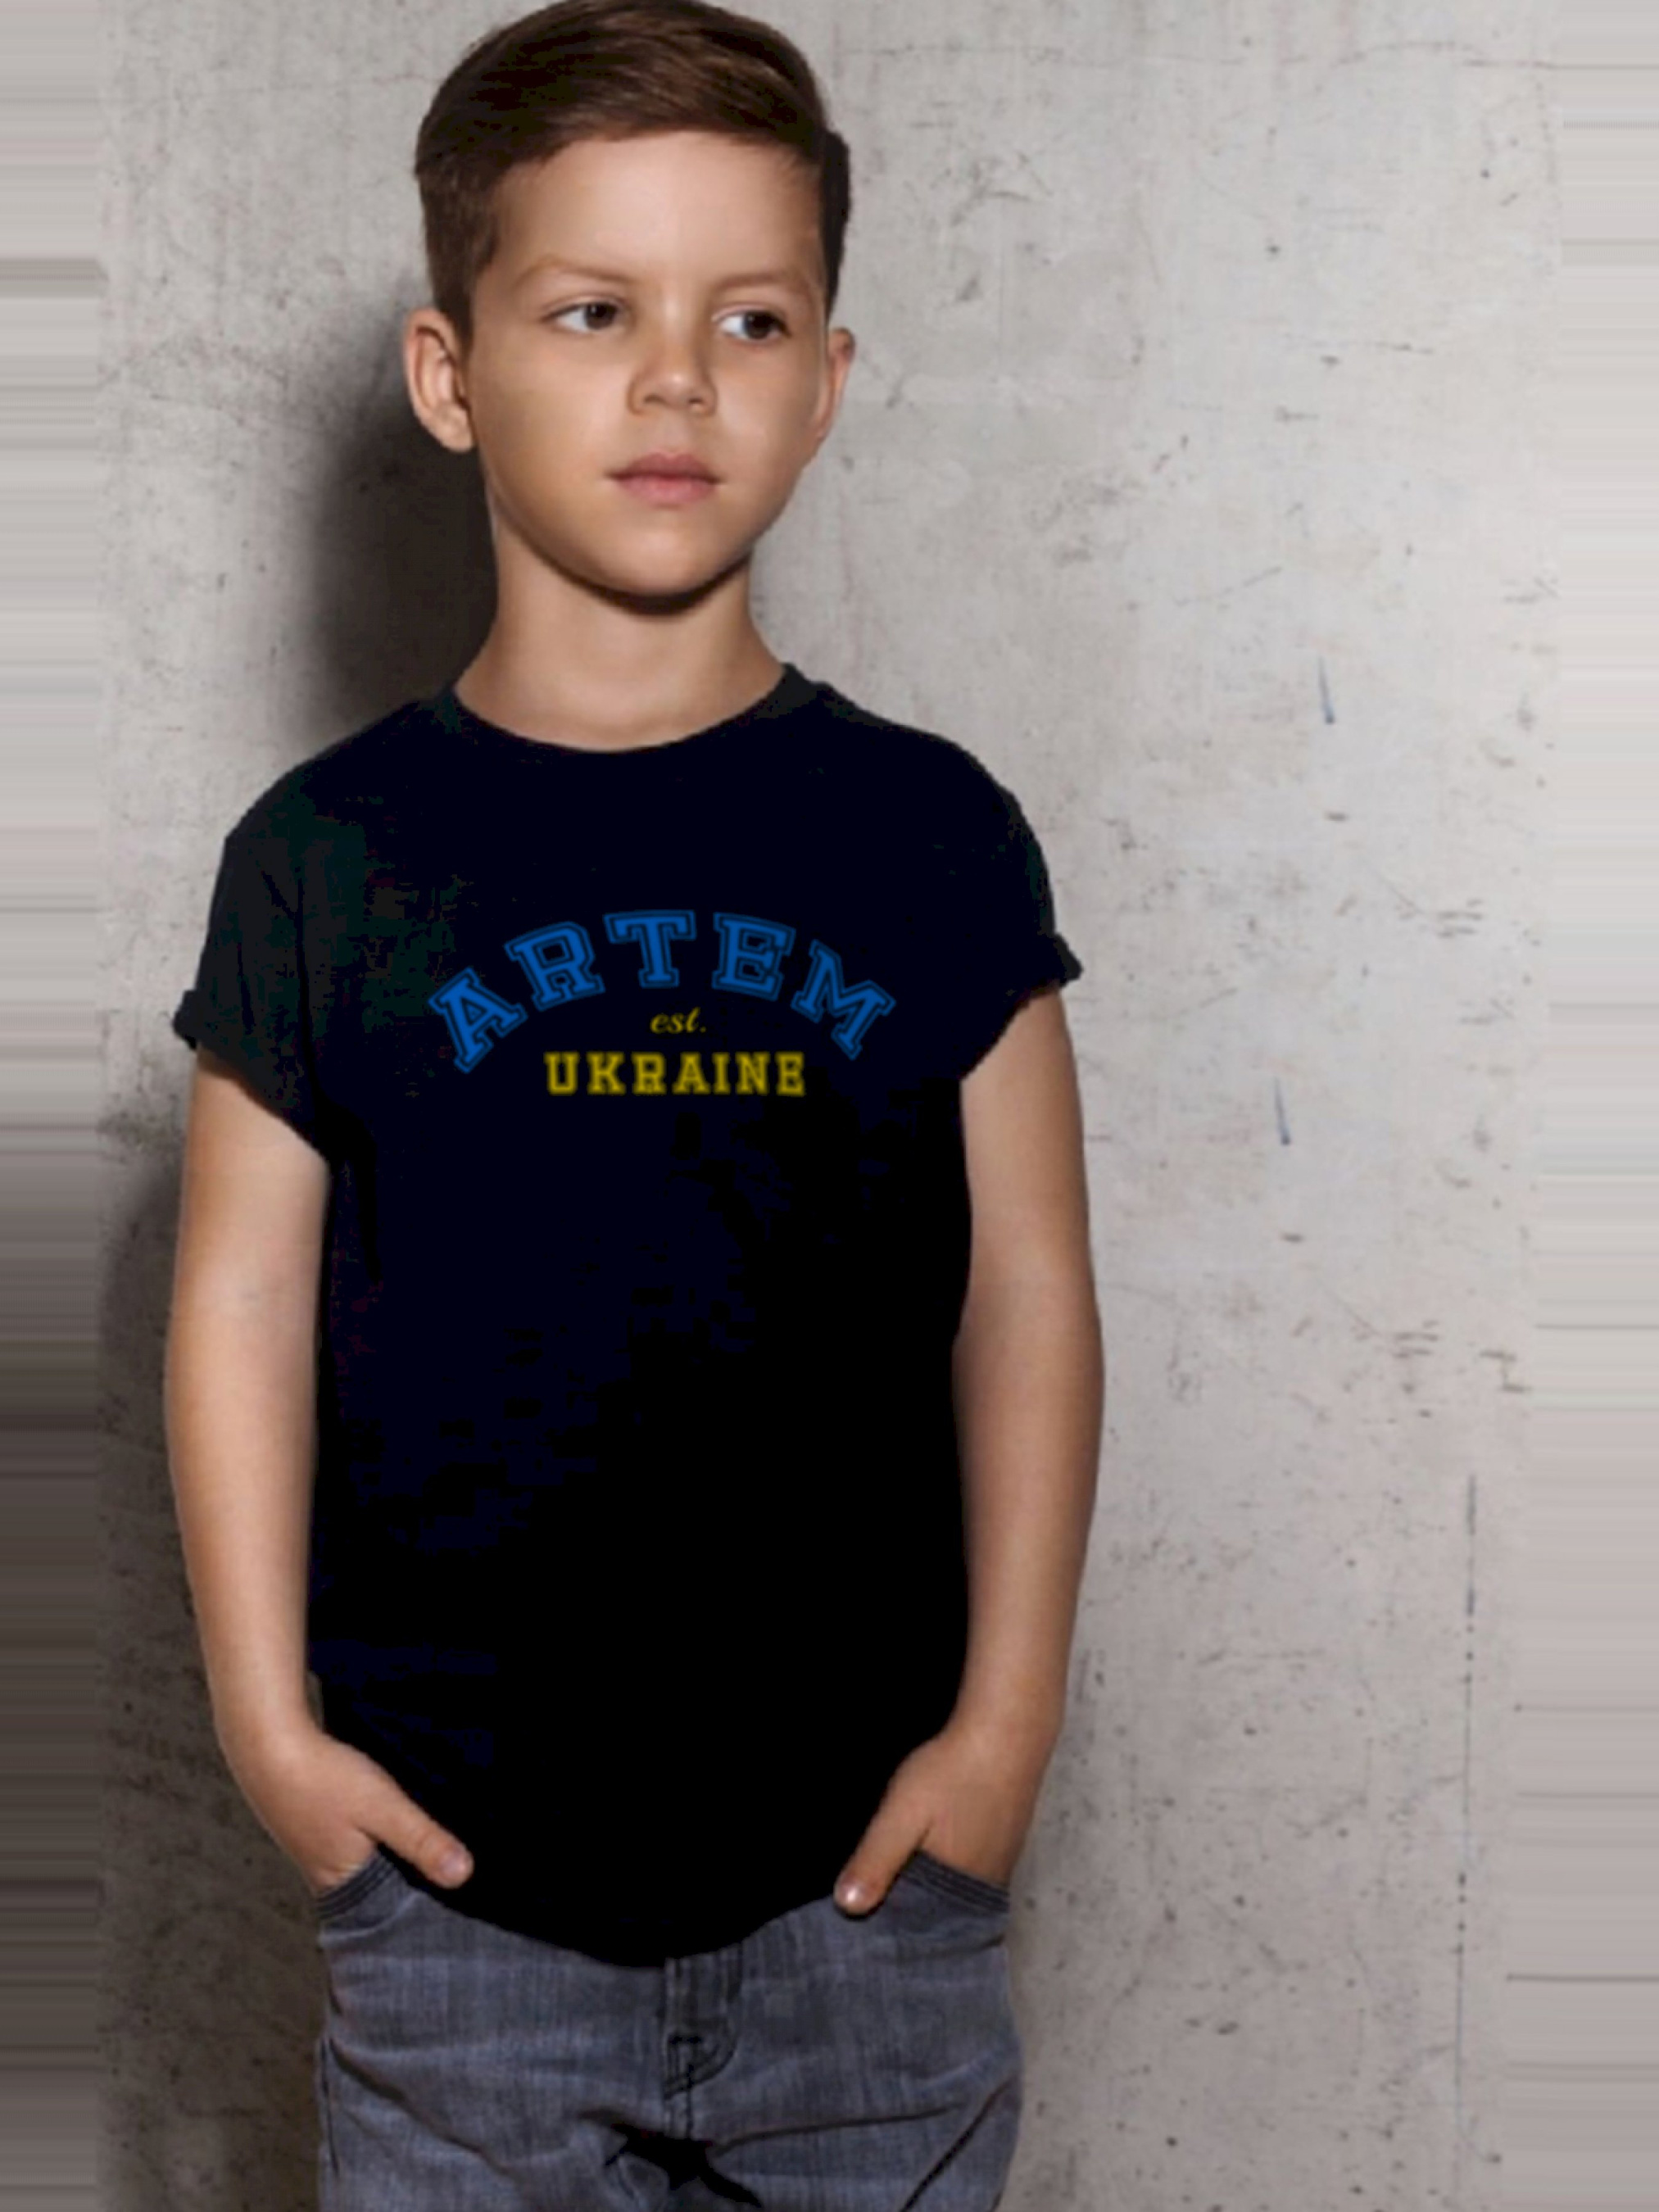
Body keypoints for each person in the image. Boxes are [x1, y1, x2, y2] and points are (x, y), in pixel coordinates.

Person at [163, 2, 1103, 2205]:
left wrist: (1003, 1734)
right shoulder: (324, 856)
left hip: (866, 1908)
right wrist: (272, 1740)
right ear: (449, 372)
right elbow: (238, 1306)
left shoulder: (932, 835)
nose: (677, 378)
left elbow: (1029, 1292)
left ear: (827, 380)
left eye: (747, 318)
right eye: (593, 311)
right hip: (456, 1913)